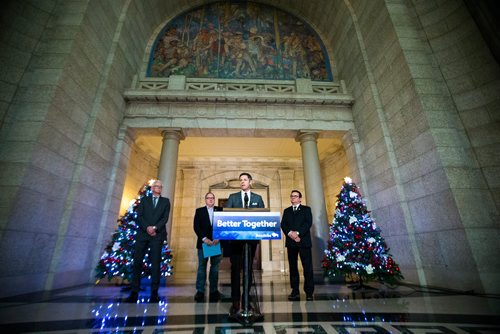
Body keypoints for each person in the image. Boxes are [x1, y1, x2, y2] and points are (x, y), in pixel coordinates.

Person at [224, 172, 265, 315]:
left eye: (245, 179)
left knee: (248, 269)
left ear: (250, 182)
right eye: (240, 180)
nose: (242, 182)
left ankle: (246, 298)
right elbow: (226, 214)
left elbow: (262, 217)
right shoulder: (233, 197)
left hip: (251, 240)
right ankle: (235, 300)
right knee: (235, 269)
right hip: (235, 240)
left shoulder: (258, 198)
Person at [125, 180, 170, 303]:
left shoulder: (165, 201)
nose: (158, 188)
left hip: (157, 235)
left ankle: (154, 293)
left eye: (160, 187)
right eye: (156, 186)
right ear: (152, 188)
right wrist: (147, 228)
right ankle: (134, 292)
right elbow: (140, 216)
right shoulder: (144, 200)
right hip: (143, 235)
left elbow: (165, 218)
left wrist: (154, 228)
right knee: (137, 262)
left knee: (155, 264)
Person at [281, 190, 314, 301]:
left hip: (303, 242)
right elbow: (283, 224)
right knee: (293, 268)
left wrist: (298, 233)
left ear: (300, 198)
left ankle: (309, 292)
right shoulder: (287, 211)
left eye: (295, 196)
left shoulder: (306, 209)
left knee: (307, 267)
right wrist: (291, 234)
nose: (293, 198)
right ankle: (295, 291)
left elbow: (308, 223)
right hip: (291, 243)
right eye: (292, 196)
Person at [193, 192, 223, 302]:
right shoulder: (199, 211)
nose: (210, 200)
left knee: (215, 268)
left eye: (212, 198)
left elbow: (223, 225)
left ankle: (214, 291)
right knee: (202, 267)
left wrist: (218, 238)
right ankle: (200, 291)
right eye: (208, 198)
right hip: (203, 243)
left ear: (214, 200)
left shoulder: (220, 210)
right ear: (205, 200)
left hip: (216, 243)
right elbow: (196, 227)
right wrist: (204, 239)